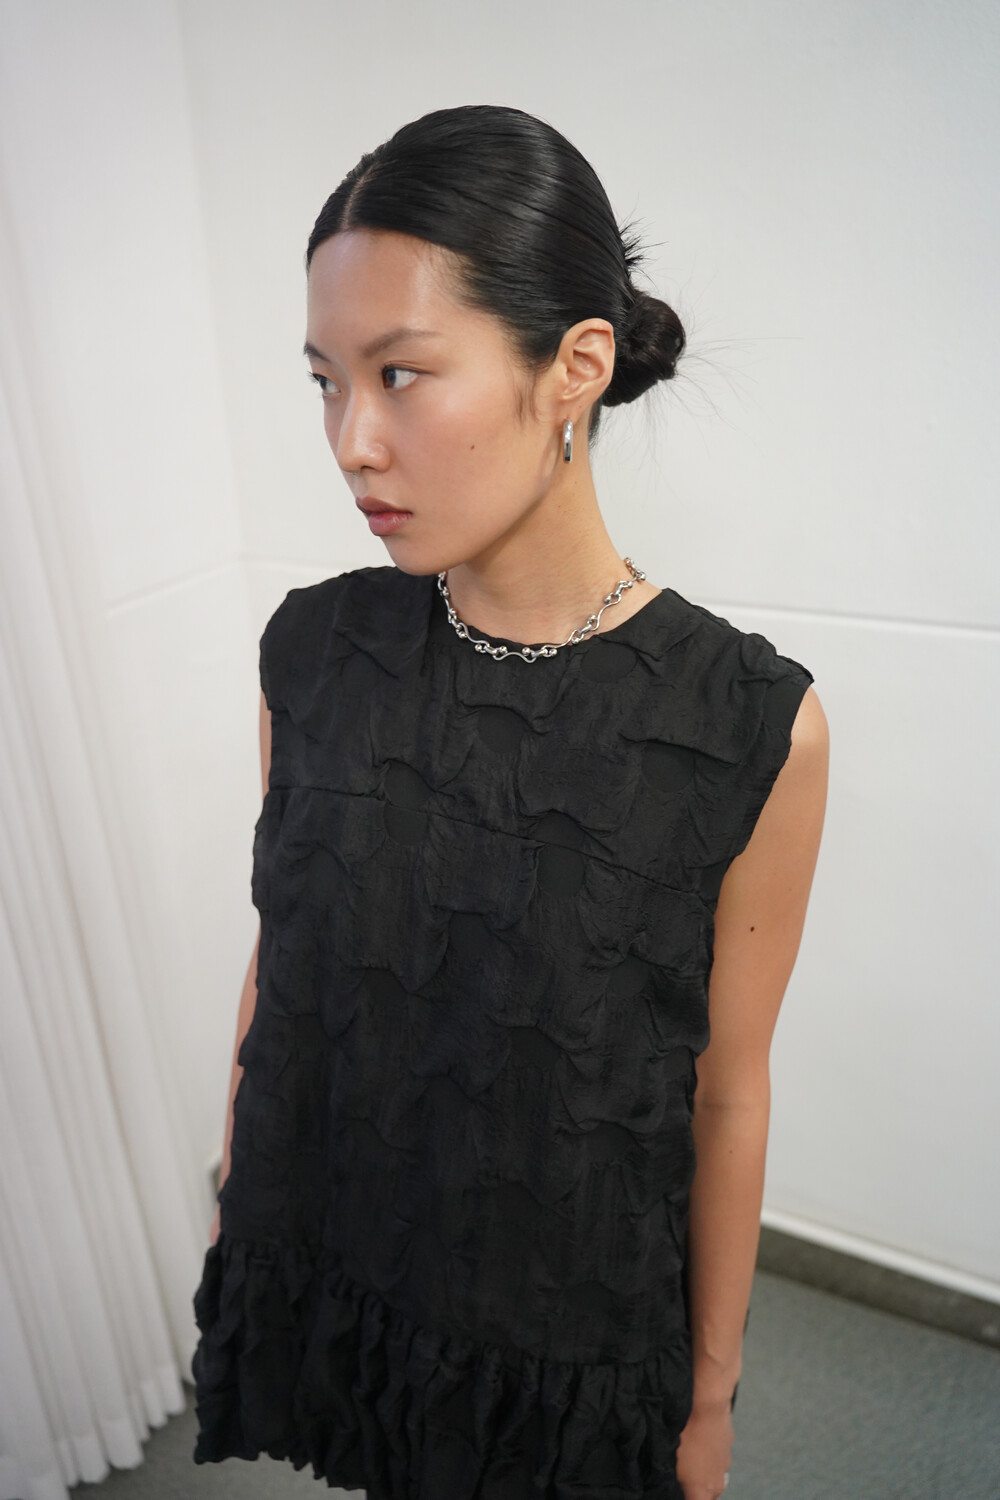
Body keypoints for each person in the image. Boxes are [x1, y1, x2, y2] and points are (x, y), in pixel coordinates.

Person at [191, 103, 829, 1500]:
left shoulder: (743, 723)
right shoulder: (317, 651)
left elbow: (727, 1092)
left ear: (574, 369)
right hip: (345, 1243)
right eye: (324, 382)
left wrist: (709, 1395)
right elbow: (284, 956)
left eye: (401, 374)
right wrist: (243, 1203)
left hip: (560, 1320)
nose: (352, 441)